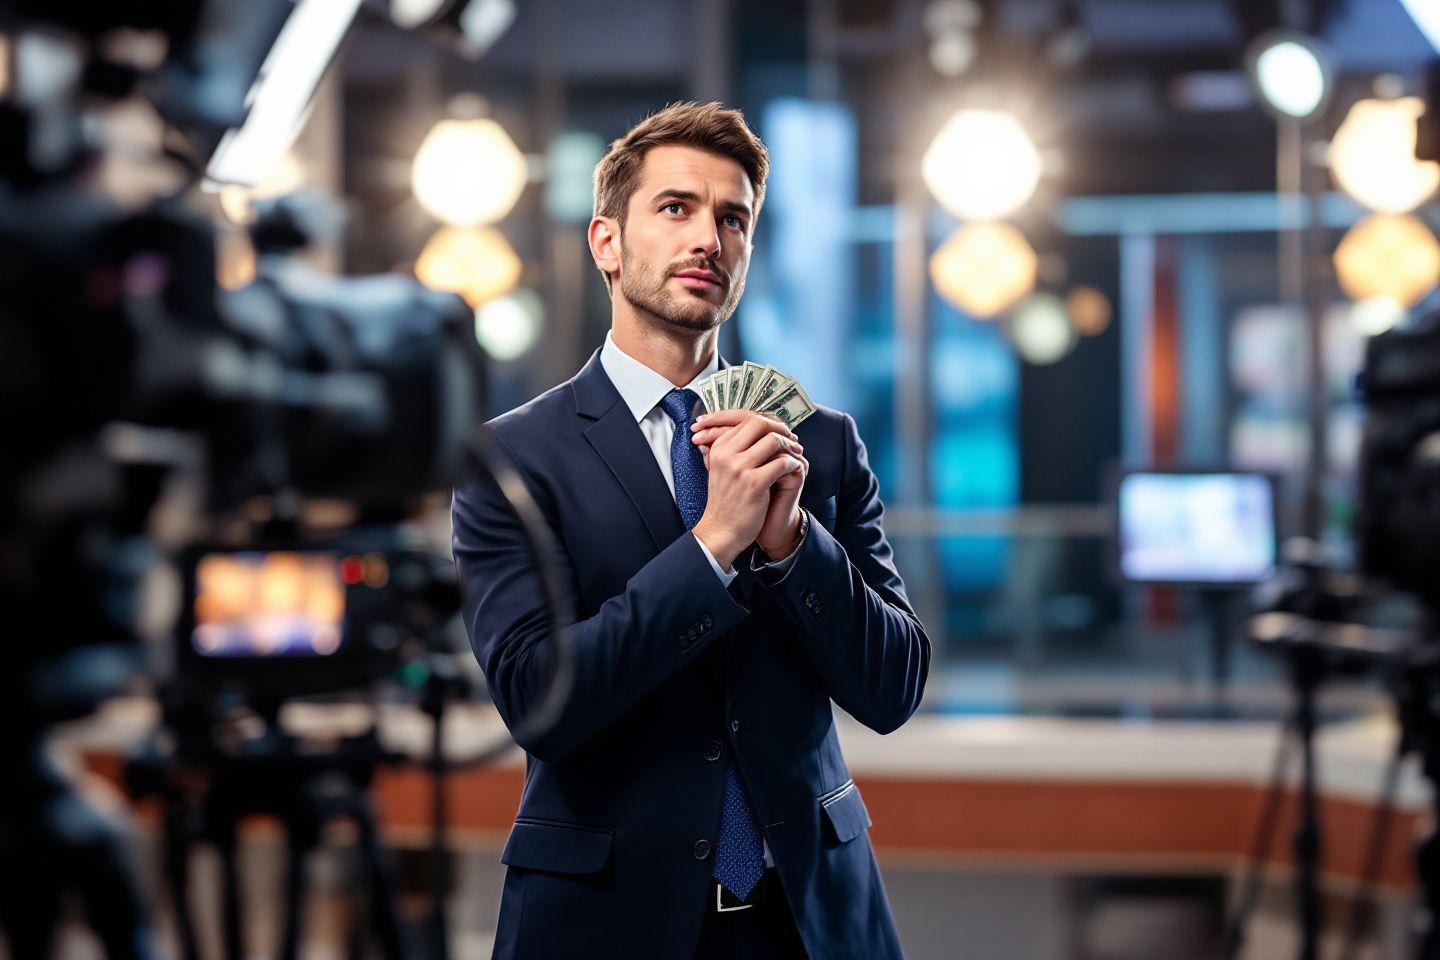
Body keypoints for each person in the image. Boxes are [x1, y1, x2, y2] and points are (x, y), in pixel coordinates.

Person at [452, 100, 929, 960]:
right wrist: (712, 545)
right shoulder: (513, 458)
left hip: (811, 922)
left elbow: (893, 690)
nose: (708, 237)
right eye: (676, 208)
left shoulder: (820, 442)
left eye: (732, 218)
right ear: (607, 241)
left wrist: (791, 550)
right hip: (605, 921)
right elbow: (537, 702)